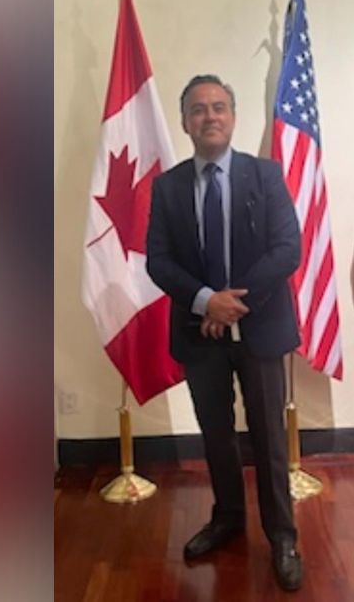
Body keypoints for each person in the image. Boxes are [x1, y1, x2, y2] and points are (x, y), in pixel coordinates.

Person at [146, 74, 303, 591]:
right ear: (185, 122)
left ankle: (282, 535)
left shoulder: (266, 175)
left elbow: (287, 249)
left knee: (269, 436)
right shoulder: (168, 187)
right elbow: (159, 261)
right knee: (216, 433)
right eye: (198, 109)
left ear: (233, 117)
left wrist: (230, 305)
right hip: (199, 334)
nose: (209, 116)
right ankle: (228, 518)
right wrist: (203, 301)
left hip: (260, 328)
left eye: (218, 107)